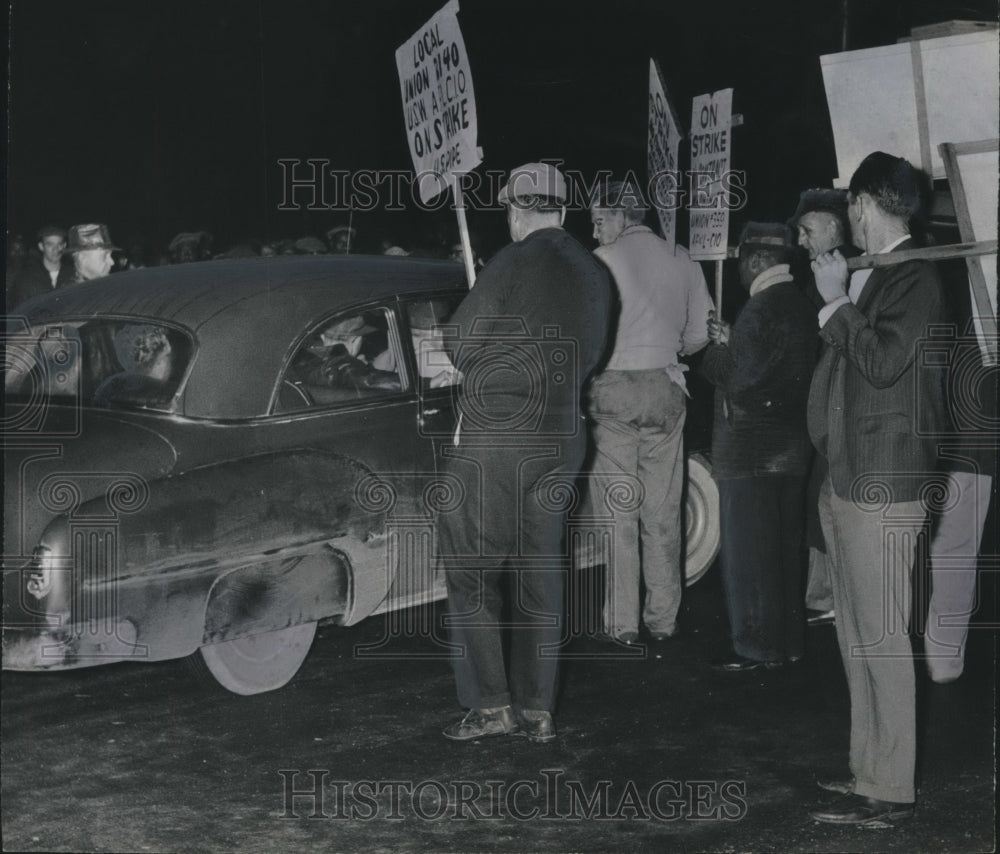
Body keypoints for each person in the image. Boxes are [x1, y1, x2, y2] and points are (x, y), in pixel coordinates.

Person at [438, 162, 611, 743]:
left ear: (517, 210)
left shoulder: (513, 259)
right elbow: (589, 354)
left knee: (471, 569)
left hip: (498, 435)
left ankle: (492, 705)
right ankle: (538, 707)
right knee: (542, 570)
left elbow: (459, 344)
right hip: (563, 434)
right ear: (563, 212)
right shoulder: (595, 272)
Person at [806, 152, 947, 826]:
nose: (846, 220)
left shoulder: (914, 278)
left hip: (883, 487)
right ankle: (868, 768)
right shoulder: (877, 277)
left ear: (864, 204)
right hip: (850, 479)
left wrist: (835, 302)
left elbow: (885, 363)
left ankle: (890, 784)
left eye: (849, 208)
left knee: (883, 634)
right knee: (857, 634)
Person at [586, 179, 713, 643]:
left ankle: (622, 624)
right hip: (666, 386)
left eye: (600, 221)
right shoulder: (682, 259)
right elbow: (699, 333)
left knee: (619, 513)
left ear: (622, 217)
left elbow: (586, 335)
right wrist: (669, 348)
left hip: (615, 389)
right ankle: (664, 618)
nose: (596, 232)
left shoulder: (600, 262)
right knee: (662, 512)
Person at [700, 222, 817, 671]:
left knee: (749, 558)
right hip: (791, 451)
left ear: (754, 262)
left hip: (750, 452)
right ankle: (788, 644)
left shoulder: (761, 307)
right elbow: (767, 362)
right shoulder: (800, 305)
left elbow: (734, 376)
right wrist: (736, 340)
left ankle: (753, 646)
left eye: (741, 266)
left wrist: (712, 353)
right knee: (784, 553)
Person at [790, 189, 862, 627]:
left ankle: (833, 594)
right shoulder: (817, 275)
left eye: (807, 230)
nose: (800, 240)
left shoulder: (850, 272)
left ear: (835, 229)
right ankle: (823, 594)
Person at [290, 316, 401, 394]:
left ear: (322, 337)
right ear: (356, 340)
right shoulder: (343, 366)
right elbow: (395, 386)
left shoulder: (304, 359)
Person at [8, 225, 72, 308]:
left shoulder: (73, 275)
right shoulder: (27, 278)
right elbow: (18, 311)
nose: (55, 249)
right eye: (50, 244)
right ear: (41, 246)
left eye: (59, 244)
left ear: (64, 246)